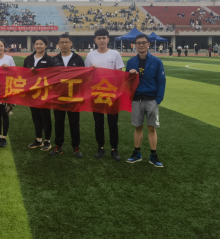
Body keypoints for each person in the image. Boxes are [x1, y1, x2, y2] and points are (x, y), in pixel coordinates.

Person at [126, 34, 166, 168]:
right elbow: (126, 82)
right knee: (138, 127)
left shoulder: (157, 62)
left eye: (144, 42)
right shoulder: (131, 62)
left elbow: (161, 81)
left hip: (151, 99)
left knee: (151, 128)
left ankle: (153, 155)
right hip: (136, 99)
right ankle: (137, 153)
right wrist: (130, 76)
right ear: (135, 45)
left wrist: (158, 99)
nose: (141, 45)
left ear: (148, 44)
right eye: (138, 43)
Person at [84, 29, 125, 161]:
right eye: (99, 38)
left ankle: (114, 148)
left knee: (113, 123)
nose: (101, 40)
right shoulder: (90, 55)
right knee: (98, 123)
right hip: (96, 95)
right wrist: (91, 71)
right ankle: (100, 147)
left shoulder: (115, 54)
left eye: (104, 38)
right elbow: (86, 76)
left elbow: (119, 75)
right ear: (95, 40)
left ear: (108, 39)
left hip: (112, 95)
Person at [50, 33, 85, 159]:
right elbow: (48, 77)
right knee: (59, 123)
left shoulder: (78, 59)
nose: (64, 44)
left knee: (74, 123)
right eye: (62, 42)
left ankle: (76, 147)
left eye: (66, 42)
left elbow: (84, 77)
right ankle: (58, 146)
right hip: (58, 97)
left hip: (73, 98)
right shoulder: (54, 60)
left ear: (71, 43)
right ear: (58, 44)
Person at [23, 36, 56, 151]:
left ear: (46, 45)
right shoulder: (28, 59)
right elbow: (23, 75)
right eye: (36, 44)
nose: (38, 46)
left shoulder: (50, 60)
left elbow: (53, 75)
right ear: (34, 45)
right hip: (33, 93)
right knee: (36, 116)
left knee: (45, 117)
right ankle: (38, 140)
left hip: (45, 93)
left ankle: (47, 141)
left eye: (41, 44)